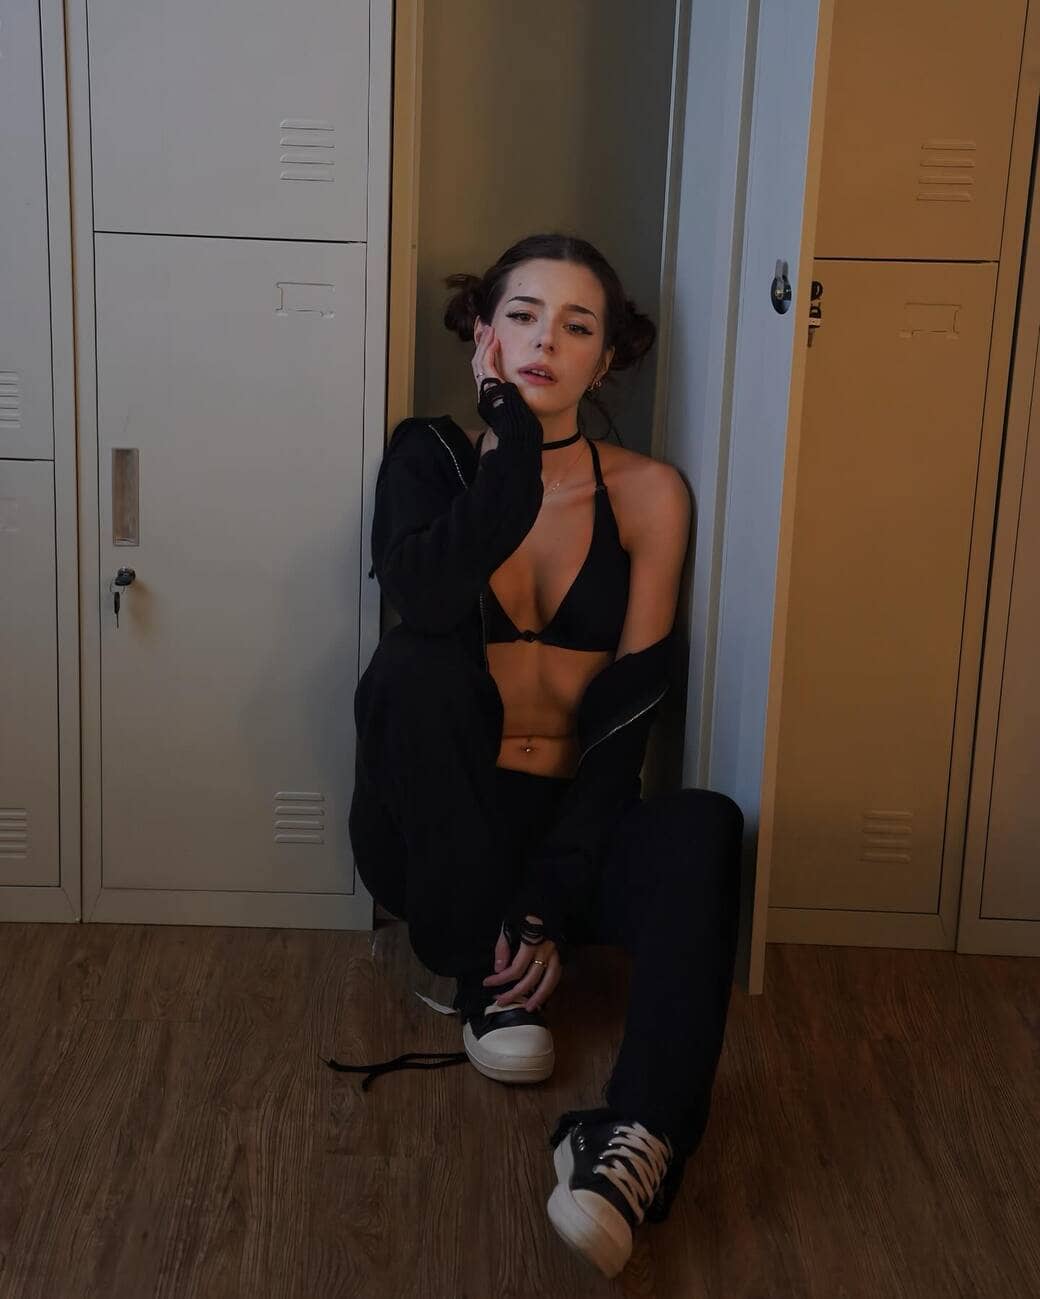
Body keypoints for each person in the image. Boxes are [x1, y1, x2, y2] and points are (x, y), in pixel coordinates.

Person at [337, 233, 744, 1280]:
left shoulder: (649, 494)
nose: (544, 342)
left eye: (576, 326)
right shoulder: (425, 459)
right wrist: (510, 436)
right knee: (418, 665)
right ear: (482, 332)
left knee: (703, 823)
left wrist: (550, 900)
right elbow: (424, 595)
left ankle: (634, 1138)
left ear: (605, 362)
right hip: (435, 834)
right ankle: (483, 971)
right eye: (521, 316)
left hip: (570, 821)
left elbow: (626, 718)